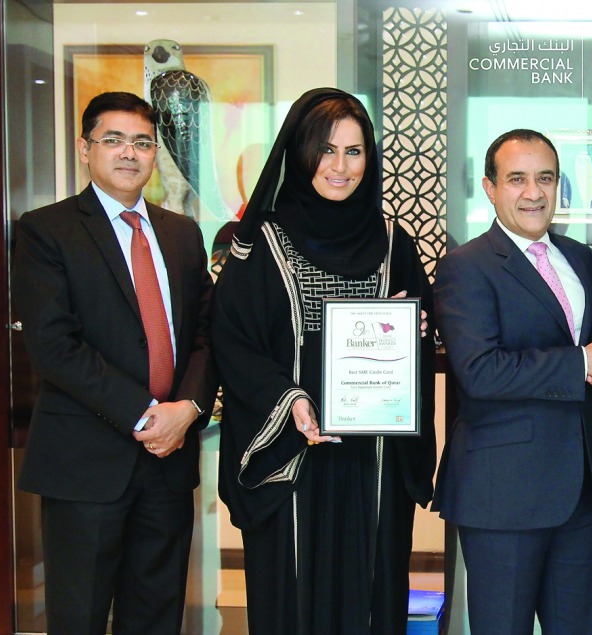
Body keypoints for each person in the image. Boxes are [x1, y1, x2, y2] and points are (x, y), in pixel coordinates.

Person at [211, 88, 437, 634]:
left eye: (355, 152)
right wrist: (289, 400)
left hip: (373, 463)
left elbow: (420, 331)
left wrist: (419, 329)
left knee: (373, 592)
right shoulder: (260, 243)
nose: (340, 167)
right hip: (293, 459)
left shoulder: (391, 242)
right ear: (300, 152)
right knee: (293, 596)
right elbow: (231, 341)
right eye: (327, 151)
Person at [10, 91, 216, 634]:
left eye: (143, 142)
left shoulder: (181, 234)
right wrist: (148, 414)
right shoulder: (46, 230)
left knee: (156, 613)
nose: (130, 153)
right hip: (86, 461)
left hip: (168, 462)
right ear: (85, 149)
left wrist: (189, 408)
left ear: (155, 153)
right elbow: (55, 346)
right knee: (79, 615)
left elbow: (205, 334)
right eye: (114, 139)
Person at [433, 129, 592, 634]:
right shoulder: (465, 266)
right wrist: (583, 365)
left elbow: (590, 358)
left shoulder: (579, 258)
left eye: (545, 178)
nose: (533, 192)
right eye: (517, 179)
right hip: (503, 496)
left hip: (582, 493)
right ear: (490, 188)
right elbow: (480, 372)